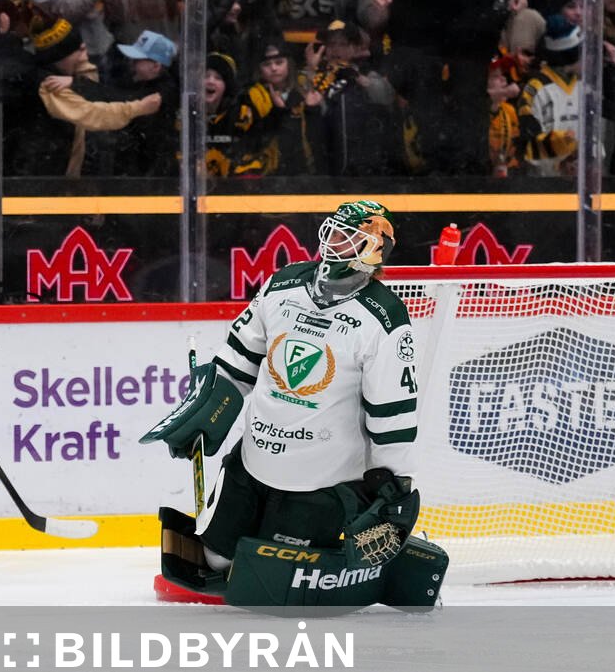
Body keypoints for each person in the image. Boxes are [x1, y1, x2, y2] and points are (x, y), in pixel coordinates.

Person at [141, 200, 445, 609]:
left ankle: (390, 550)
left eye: (346, 236)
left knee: (269, 579)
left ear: (372, 249)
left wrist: (394, 484)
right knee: (216, 560)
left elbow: (392, 415)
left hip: (321, 481)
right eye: (332, 231)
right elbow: (236, 362)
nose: (333, 241)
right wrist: (204, 410)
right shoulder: (283, 284)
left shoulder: (385, 320)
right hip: (254, 461)